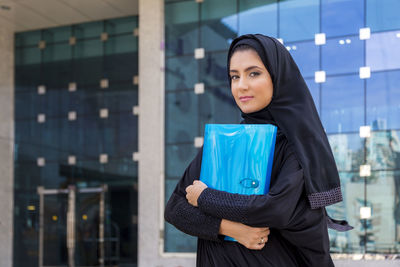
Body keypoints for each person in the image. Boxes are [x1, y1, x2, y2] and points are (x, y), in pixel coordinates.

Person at [164, 34, 352, 266]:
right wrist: (230, 228)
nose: (241, 85)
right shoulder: (224, 141)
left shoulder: (297, 144)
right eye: (234, 76)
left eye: (254, 73)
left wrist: (205, 197)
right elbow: (175, 209)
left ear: (277, 77)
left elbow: (275, 209)